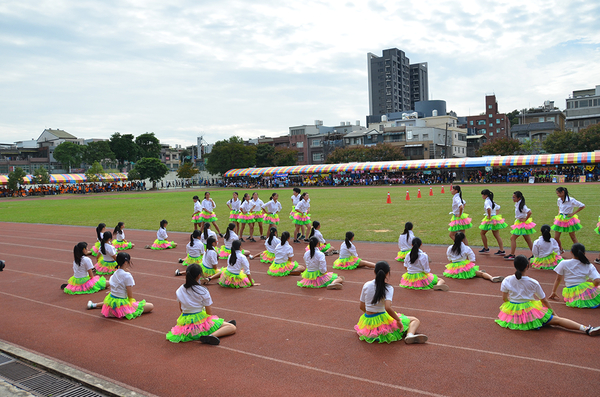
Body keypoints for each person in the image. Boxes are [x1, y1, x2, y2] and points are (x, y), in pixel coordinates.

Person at [495, 255, 599, 335]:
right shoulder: (533, 282)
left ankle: (587, 329)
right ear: (527, 266)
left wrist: (512, 309)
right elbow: (544, 300)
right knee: (558, 320)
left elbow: (505, 299)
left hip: (513, 313)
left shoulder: (507, 280)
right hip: (530, 312)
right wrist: (554, 313)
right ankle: (586, 329)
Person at [355, 261, 428, 344]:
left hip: (367, 322)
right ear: (387, 273)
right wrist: (398, 320)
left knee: (395, 319)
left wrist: (371, 316)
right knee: (414, 320)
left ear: (374, 271)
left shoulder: (366, 285)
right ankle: (410, 335)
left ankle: (375, 334)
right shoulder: (388, 288)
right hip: (382, 319)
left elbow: (361, 306)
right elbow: (387, 307)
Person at [166, 264, 237, 345]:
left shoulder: (179, 290)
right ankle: (211, 335)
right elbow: (209, 314)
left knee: (216, 322)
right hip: (199, 321)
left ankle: (219, 325)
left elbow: (181, 309)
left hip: (186, 323)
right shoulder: (202, 291)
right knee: (232, 327)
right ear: (199, 275)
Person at [87, 252, 154, 319]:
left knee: (112, 301)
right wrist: (132, 305)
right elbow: (130, 296)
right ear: (125, 262)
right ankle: (122, 312)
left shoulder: (115, 273)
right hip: (121, 306)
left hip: (111, 301)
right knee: (150, 306)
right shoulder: (127, 276)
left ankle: (94, 305)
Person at [549, 243, 600, 308]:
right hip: (584, 290)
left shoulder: (563, 263)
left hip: (571, 293)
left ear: (571, 252)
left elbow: (558, 279)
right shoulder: (588, 265)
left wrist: (554, 291)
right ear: (584, 253)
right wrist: (594, 287)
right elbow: (597, 280)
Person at [551, 187, 585, 252]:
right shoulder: (559, 200)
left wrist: (573, 213)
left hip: (569, 219)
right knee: (556, 237)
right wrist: (559, 213)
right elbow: (559, 207)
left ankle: (579, 251)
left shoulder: (571, 200)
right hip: (560, 219)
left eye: (558, 193)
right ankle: (560, 249)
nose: (557, 195)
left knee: (573, 237)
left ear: (562, 192)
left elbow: (582, 206)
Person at [505, 191, 535, 260]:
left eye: (514, 197)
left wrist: (525, 219)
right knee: (528, 240)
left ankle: (512, 254)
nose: (513, 198)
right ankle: (535, 254)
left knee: (513, 238)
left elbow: (529, 212)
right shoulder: (518, 204)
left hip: (521, 224)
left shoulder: (522, 205)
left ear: (519, 198)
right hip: (520, 223)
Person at [478, 189, 507, 255]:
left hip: (490, 218)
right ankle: (501, 250)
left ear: (486, 195)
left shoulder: (487, 201)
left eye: (483, 195)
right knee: (496, 235)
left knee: (482, 233)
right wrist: (496, 215)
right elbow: (498, 207)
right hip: (494, 218)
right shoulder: (492, 201)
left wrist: (489, 216)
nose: (482, 196)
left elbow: (488, 208)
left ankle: (486, 248)